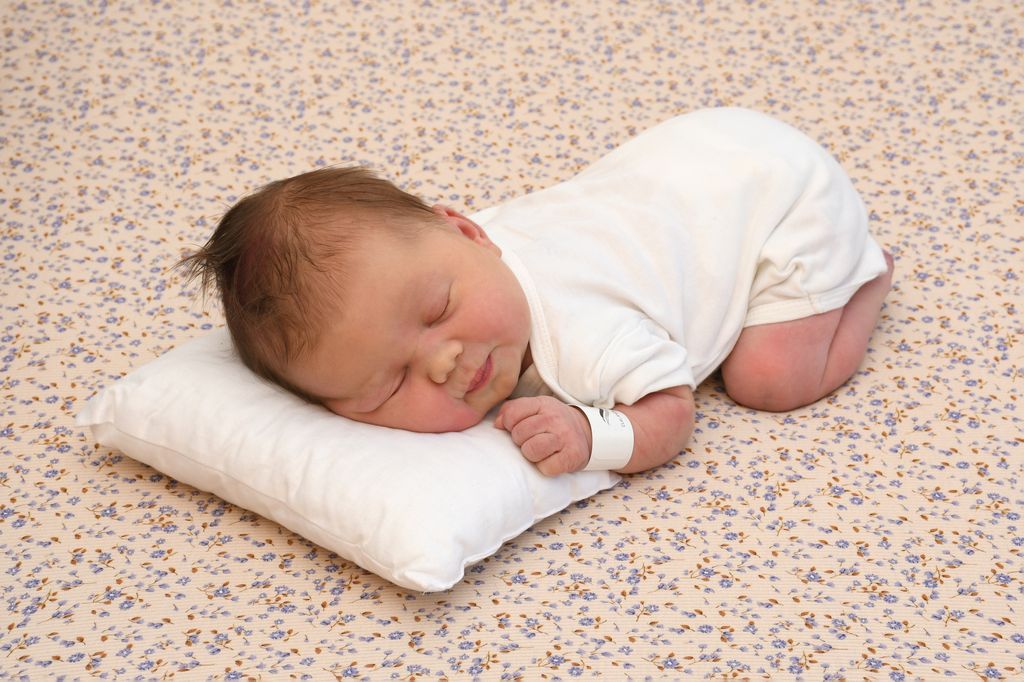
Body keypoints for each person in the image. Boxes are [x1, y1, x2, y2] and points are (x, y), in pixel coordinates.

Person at [180, 107, 894, 477]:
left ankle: (864, 277)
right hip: (702, 149)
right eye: (389, 385)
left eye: (436, 312)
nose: (443, 362)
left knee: (769, 380)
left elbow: (672, 410)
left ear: (467, 230)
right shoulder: (453, 256)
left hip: (781, 197)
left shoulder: (581, 337)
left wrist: (590, 435)